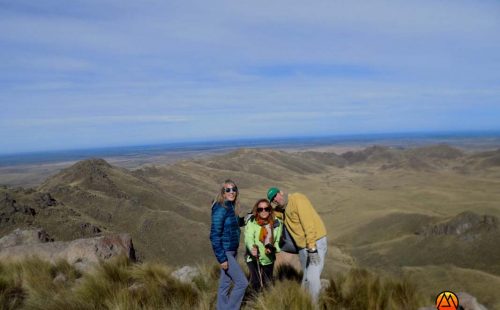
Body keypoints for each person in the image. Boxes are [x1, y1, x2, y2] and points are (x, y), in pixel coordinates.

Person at [267, 187, 327, 303]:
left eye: (276, 195)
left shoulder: (297, 199)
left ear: (281, 192)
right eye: (273, 199)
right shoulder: (282, 210)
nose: (276, 199)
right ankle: (304, 303)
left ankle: (313, 305)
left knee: (311, 278)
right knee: (306, 278)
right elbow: (272, 213)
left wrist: (312, 247)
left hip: (315, 242)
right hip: (303, 248)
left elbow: (308, 223)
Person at [210, 179, 248, 310]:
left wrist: (245, 220)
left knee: (225, 284)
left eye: (234, 189)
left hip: (232, 250)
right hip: (225, 252)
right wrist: (222, 258)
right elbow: (214, 235)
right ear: (223, 193)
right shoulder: (221, 208)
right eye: (228, 190)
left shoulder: (231, 206)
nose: (232, 192)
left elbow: (233, 224)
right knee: (242, 283)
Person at [244, 198, 283, 292]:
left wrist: (274, 249)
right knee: (256, 282)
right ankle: (254, 302)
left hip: (268, 258)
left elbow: (278, 241)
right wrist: (252, 248)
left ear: (270, 210)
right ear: (257, 211)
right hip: (253, 257)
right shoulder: (252, 221)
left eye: (266, 208)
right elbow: (248, 238)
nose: (263, 211)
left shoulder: (277, 223)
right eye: (260, 209)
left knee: (268, 283)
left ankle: (266, 303)